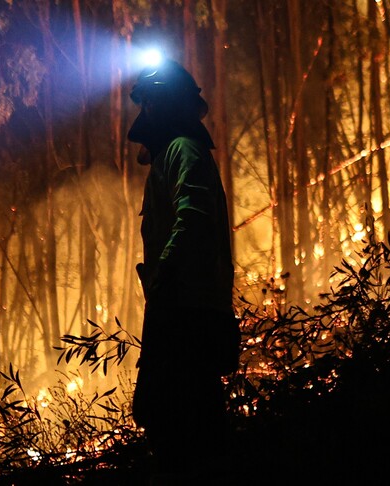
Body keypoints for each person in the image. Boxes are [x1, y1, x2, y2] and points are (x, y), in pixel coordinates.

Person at [127, 59, 240, 483]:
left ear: (166, 105)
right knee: (174, 421)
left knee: (183, 426)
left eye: (152, 103)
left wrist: (165, 276)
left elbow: (192, 218)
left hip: (186, 313)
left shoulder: (183, 150)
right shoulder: (174, 153)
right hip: (182, 307)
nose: (146, 113)